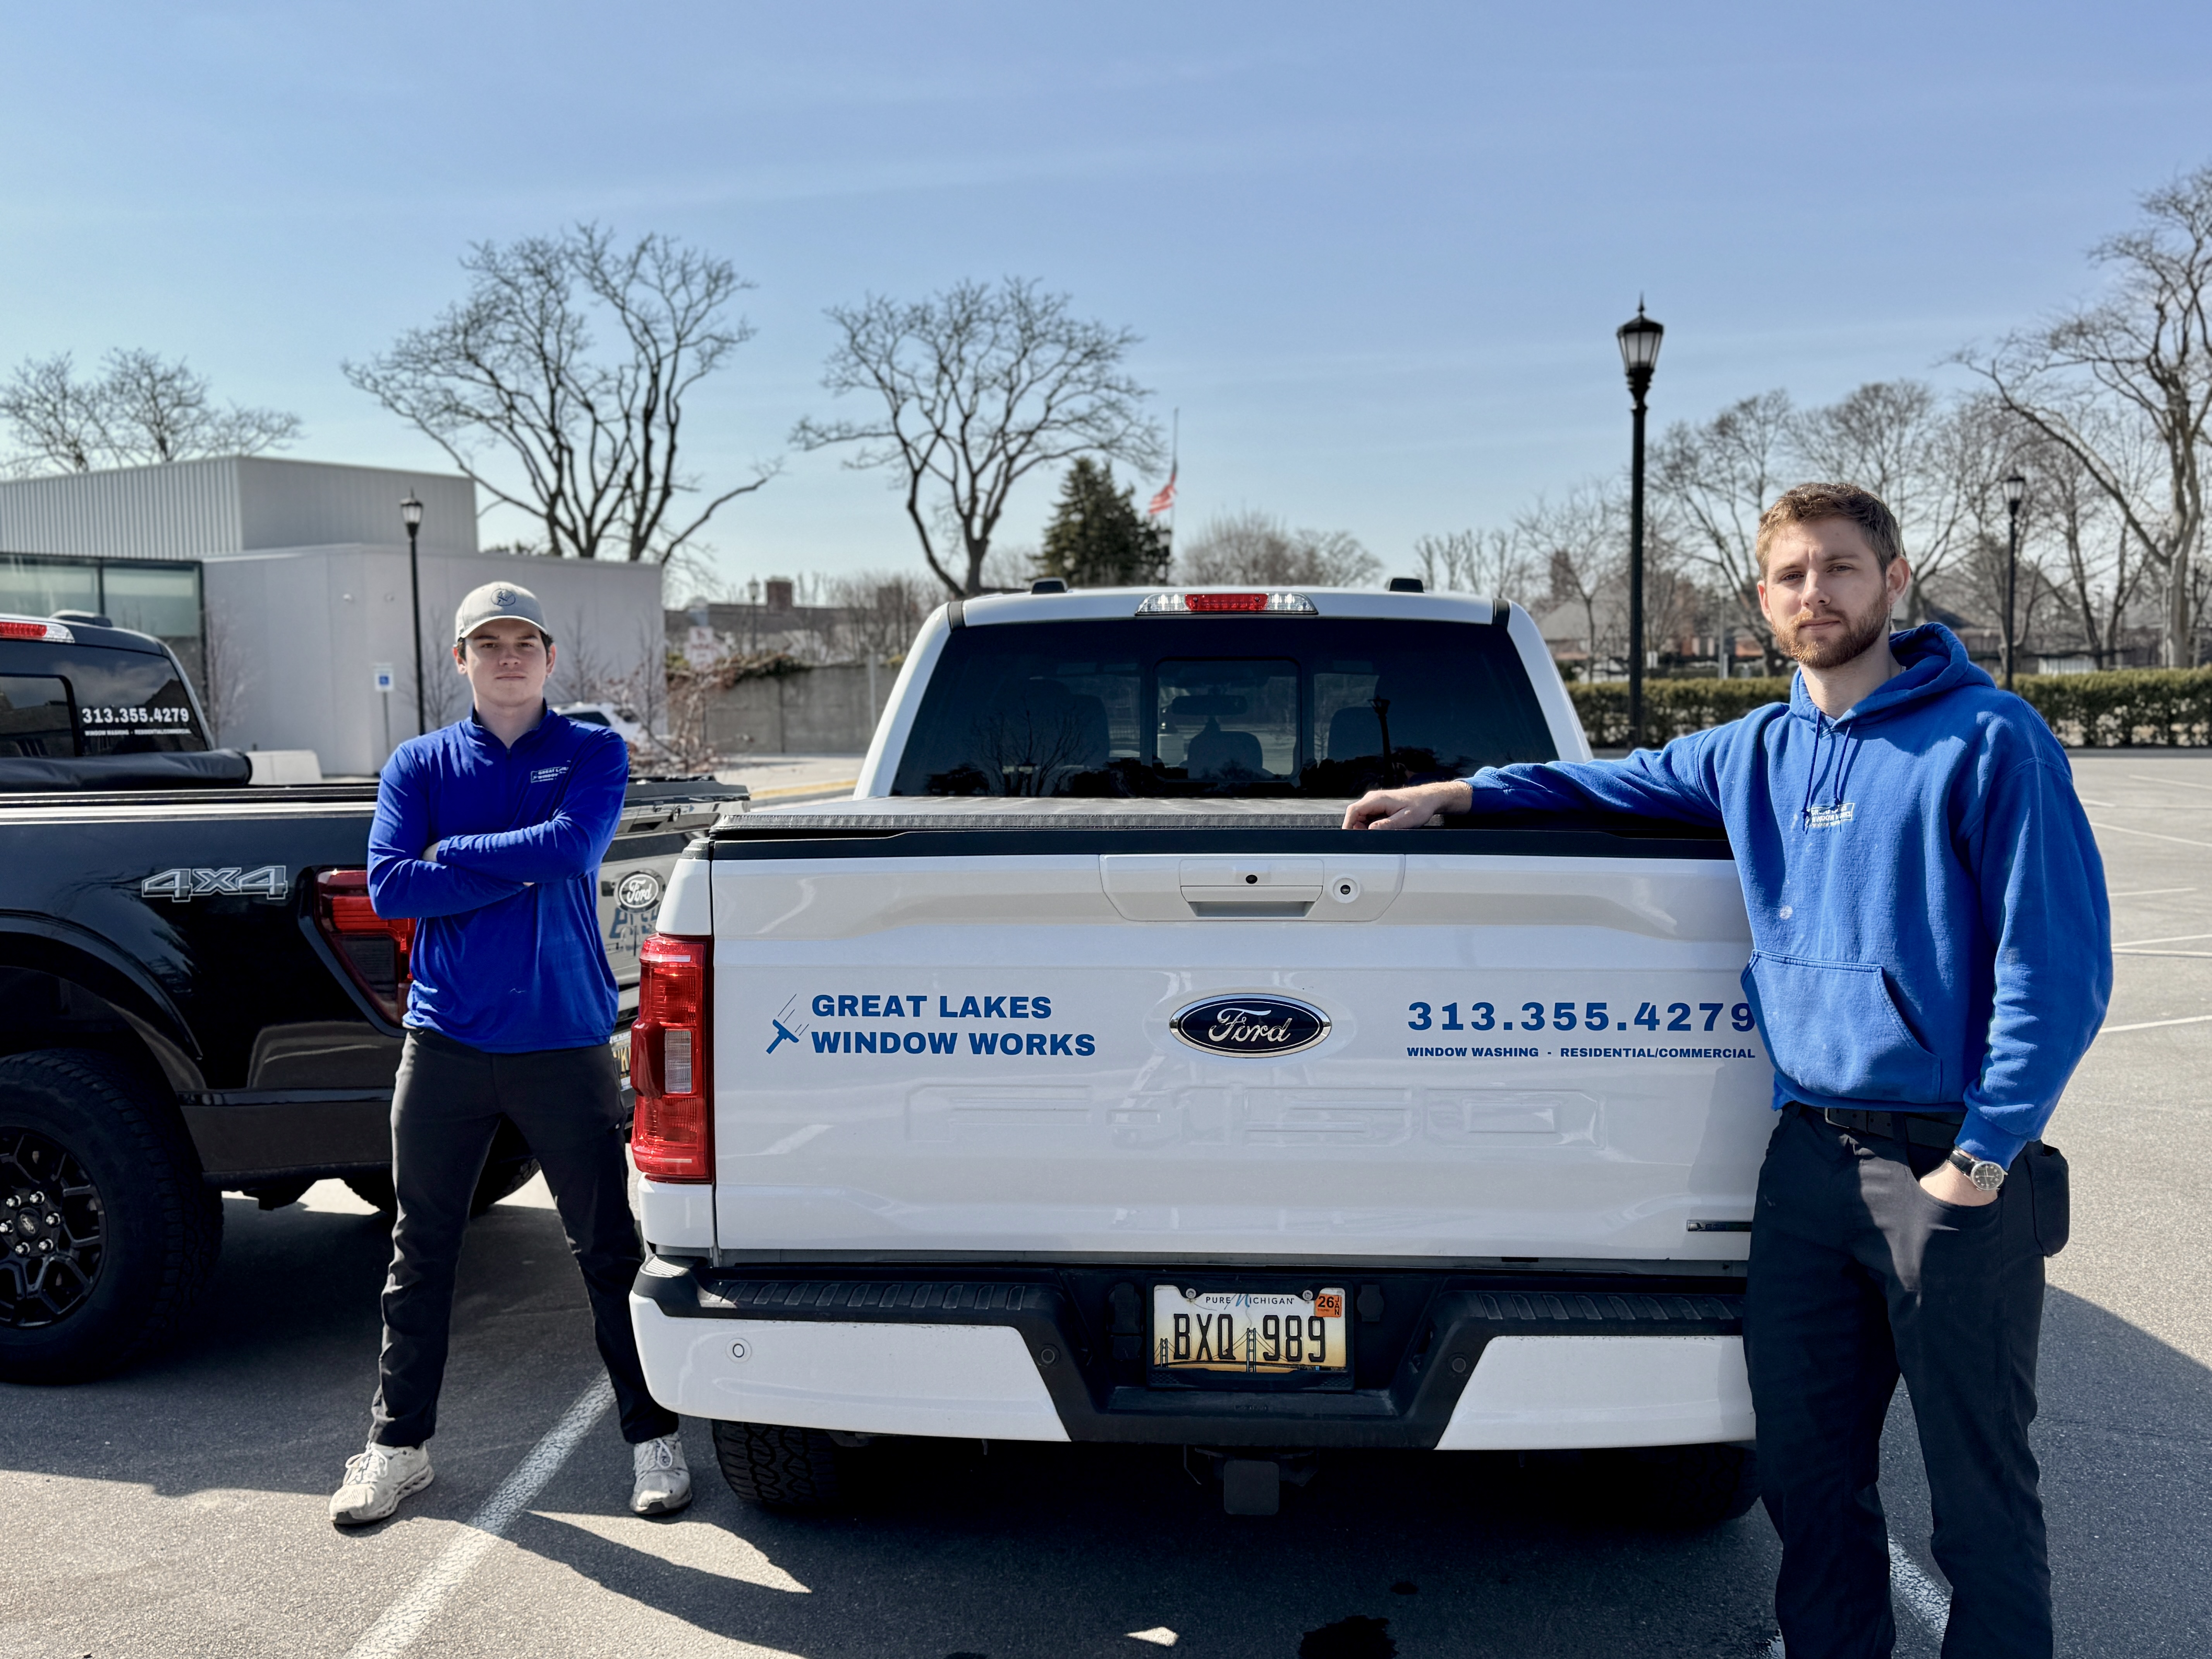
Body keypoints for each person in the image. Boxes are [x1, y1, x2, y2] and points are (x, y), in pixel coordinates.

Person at [1345, 483, 2107, 1659]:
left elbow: (2057, 969)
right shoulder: (1754, 749)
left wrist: (1984, 1156)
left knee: (1979, 1493)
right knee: (1806, 1474)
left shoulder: (1990, 740)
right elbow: (1609, 779)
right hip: (1806, 1161)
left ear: (1895, 581)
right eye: (1793, 574)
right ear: (1765, 598)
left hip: (1941, 1162)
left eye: (1842, 568)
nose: (1818, 593)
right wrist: (1464, 791)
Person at [328, 581, 690, 1527]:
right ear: (462, 661)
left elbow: (573, 852)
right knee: (420, 1253)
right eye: (486, 644)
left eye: (523, 641)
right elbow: (391, 887)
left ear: (548, 655)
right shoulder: (419, 763)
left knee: (609, 1250)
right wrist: (474, 864)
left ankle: (653, 1437)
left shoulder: (592, 750)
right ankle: (396, 1449)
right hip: (444, 1043)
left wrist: (454, 856)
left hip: (563, 1041)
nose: (507, 658)